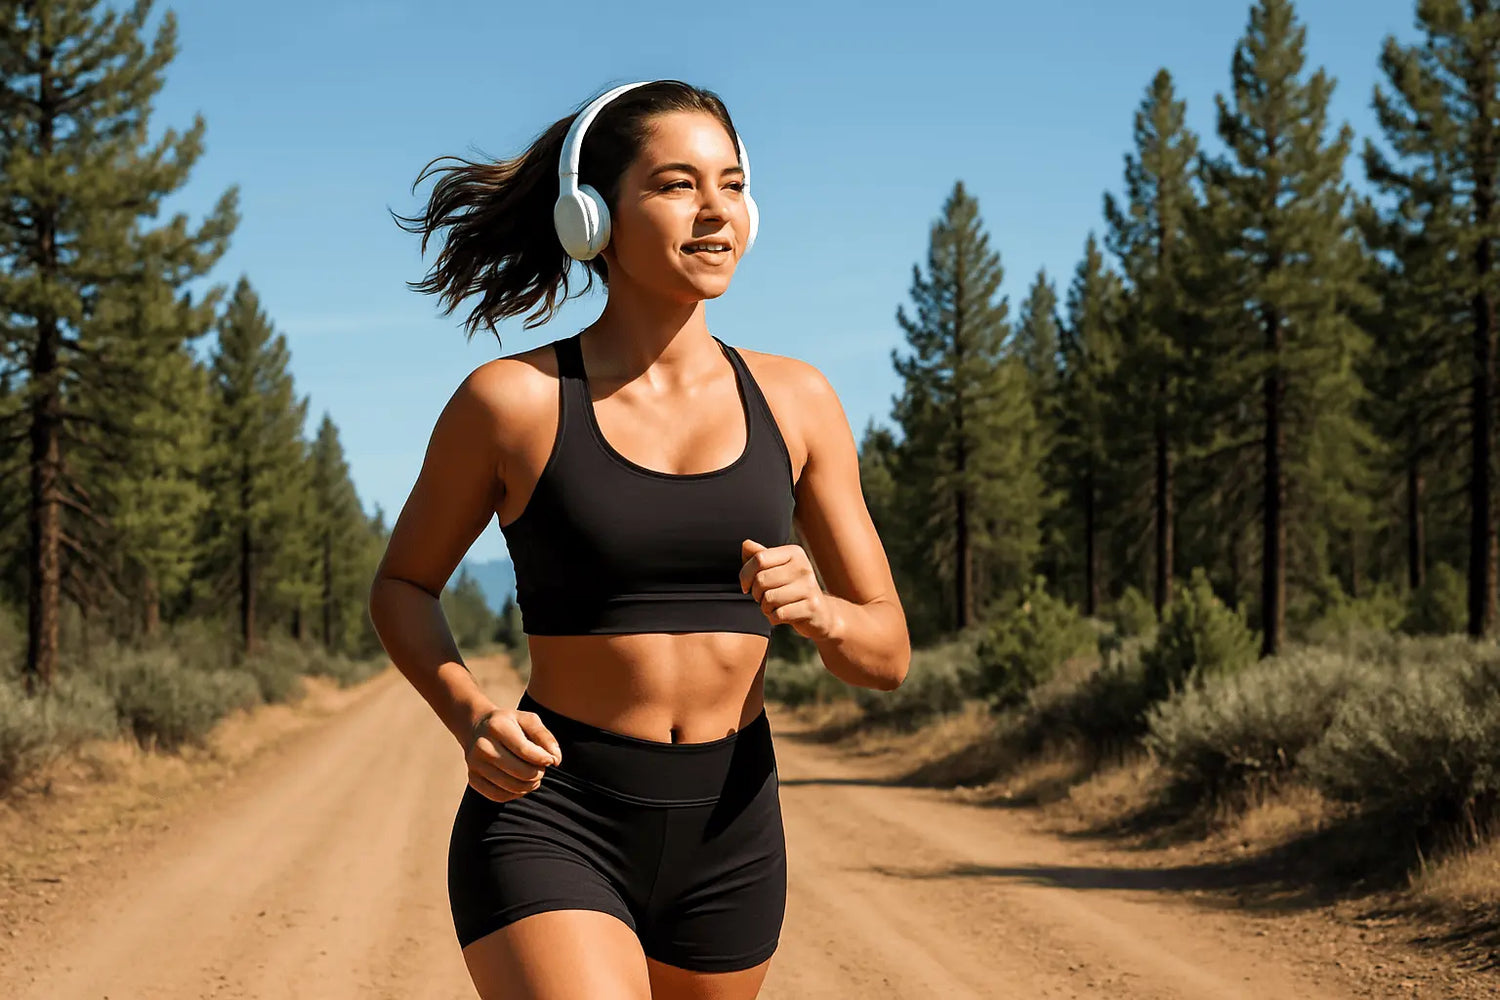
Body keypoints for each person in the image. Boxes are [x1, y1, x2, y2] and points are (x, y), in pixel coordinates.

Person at [370, 79, 911, 1000]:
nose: (715, 212)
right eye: (675, 185)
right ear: (592, 217)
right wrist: (471, 720)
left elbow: (888, 654)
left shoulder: (800, 403)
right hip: (554, 815)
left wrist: (818, 611)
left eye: (732, 185)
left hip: (730, 827)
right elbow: (404, 587)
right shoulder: (513, 402)